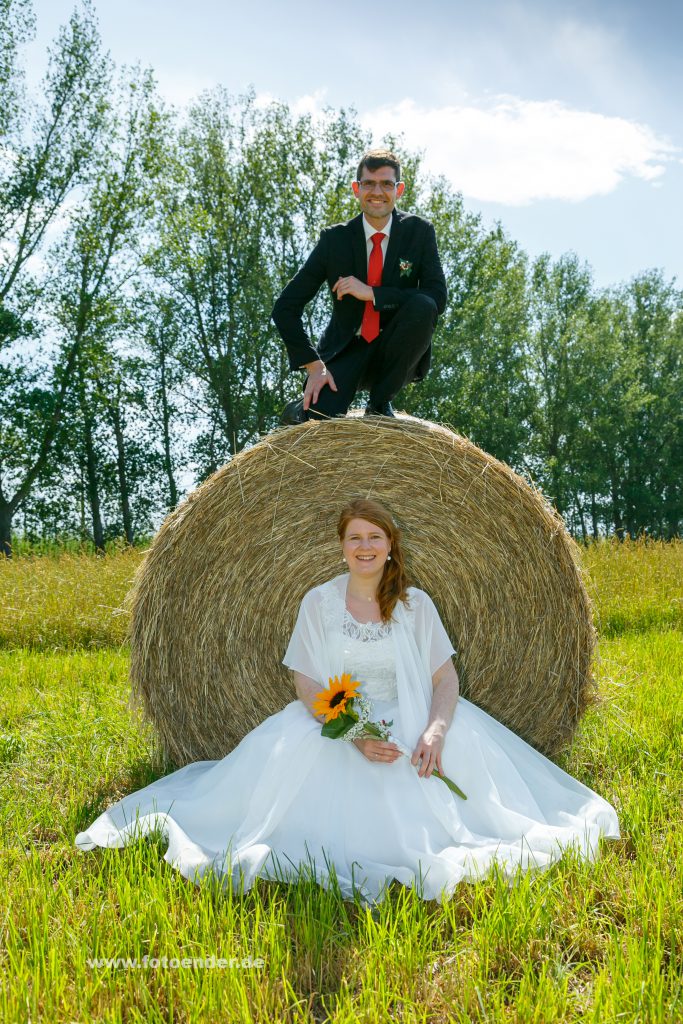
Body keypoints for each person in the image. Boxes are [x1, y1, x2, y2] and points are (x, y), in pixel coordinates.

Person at [75, 498, 620, 905]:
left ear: (390, 544)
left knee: (469, 809)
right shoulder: (318, 602)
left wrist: (433, 731)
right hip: (337, 719)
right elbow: (307, 683)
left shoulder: (415, 605)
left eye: (375, 536)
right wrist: (351, 732)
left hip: (412, 719)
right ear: (342, 546)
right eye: (355, 537)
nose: (365, 546)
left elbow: (445, 679)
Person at [272, 149, 447, 423]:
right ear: (357, 189)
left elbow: (437, 297)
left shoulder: (420, 232)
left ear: (398, 190)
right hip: (346, 348)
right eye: (369, 184)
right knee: (317, 421)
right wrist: (313, 366)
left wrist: (373, 294)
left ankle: (379, 404)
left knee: (424, 306)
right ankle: (299, 410)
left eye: (386, 184)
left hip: (393, 349)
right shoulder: (335, 240)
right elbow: (285, 307)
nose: (377, 191)